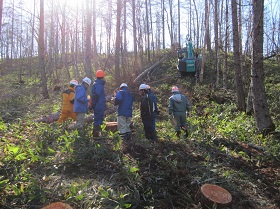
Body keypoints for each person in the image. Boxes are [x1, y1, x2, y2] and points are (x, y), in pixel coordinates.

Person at [91, 70, 106, 137]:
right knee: (98, 120)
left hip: (99, 105)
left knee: (99, 119)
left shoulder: (97, 84)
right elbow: (96, 95)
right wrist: (93, 105)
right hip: (98, 105)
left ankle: (96, 134)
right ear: (102, 77)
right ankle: (96, 136)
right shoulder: (99, 85)